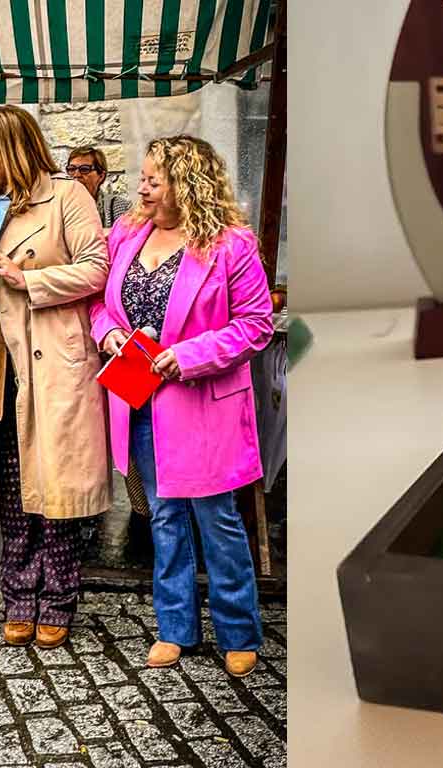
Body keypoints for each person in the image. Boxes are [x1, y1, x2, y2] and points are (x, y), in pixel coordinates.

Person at [89, 135, 273, 678]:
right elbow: (101, 303)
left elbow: (256, 325)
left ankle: (239, 629)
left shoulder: (231, 245)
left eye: (153, 179)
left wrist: (187, 356)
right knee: (163, 516)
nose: (141, 187)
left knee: (216, 519)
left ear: (186, 184)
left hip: (202, 402)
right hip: (138, 398)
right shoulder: (125, 234)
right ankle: (175, 626)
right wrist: (110, 336)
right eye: (142, 177)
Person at [0, 105, 111, 649]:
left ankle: (58, 596)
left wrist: (26, 276)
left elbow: (98, 267)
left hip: (51, 366)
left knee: (54, 492)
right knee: (12, 490)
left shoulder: (67, 197)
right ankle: (17, 593)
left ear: (12, 147)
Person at [66, 146, 131, 236]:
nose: (76, 175)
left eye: (84, 169)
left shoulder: (119, 207)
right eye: (71, 169)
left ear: (101, 176)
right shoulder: (59, 208)